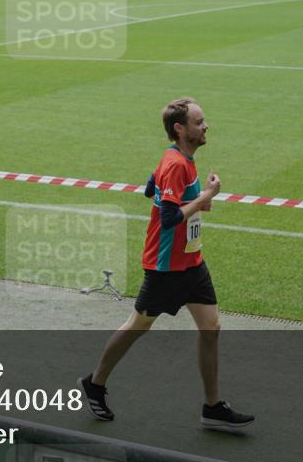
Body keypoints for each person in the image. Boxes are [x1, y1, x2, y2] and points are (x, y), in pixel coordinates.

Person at [79, 97, 254, 429]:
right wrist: (205, 198)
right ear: (180, 128)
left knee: (211, 326)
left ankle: (212, 405)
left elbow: (151, 189)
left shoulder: (181, 160)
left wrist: (191, 200)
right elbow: (171, 217)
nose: (206, 127)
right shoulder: (176, 164)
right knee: (137, 326)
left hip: (191, 262)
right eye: (200, 122)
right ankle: (95, 383)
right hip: (165, 266)